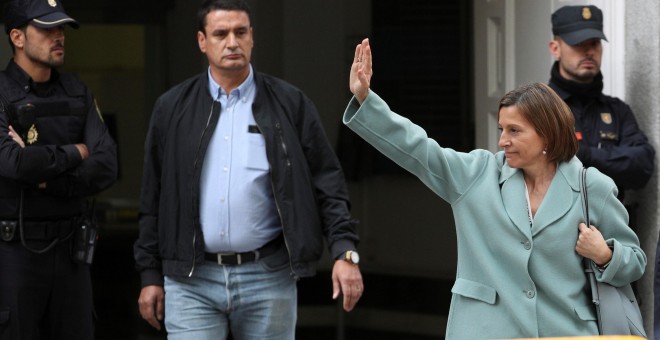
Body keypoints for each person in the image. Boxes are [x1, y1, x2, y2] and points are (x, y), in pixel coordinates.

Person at [344, 38, 645, 339]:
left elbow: (635, 261)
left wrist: (605, 254)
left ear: (548, 135)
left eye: (514, 131)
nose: (502, 141)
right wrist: (366, 100)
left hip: (566, 332)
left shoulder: (593, 187)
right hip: (486, 330)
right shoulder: (477, 175)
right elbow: (418, 148)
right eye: (502, 129)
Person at [133, 0, 363, 338]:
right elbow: (152, 197)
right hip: (191, 279)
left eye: (241, 32)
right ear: (202, 41)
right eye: (220, 33)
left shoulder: (290, 103)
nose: (232, 42)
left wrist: (344, 250)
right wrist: (149, 274)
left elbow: (327, 180)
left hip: (268, 277)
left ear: (252, 37)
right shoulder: (172, 108)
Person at [0, 0, 119, 339]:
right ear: (17, 37)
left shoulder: (77, 91)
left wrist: (45, 182)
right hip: (15, 254)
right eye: (47, 28)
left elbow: (108, 164)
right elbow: (14, 162)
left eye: (61, 29)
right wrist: (77, 151)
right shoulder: (1, 93)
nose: (59, 37)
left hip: (71, 252)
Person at [548, 5, 654, 203]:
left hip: (611, 228)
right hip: (555, 228)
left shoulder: (617, 110)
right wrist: (611, 161)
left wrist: (585, 154)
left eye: (595, 43)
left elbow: (642, 166)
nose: (589, 51)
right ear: (556, 48)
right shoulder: (540, 109)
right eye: (579, 43)